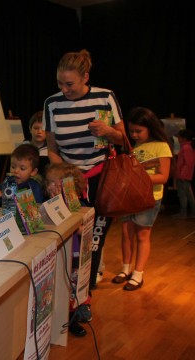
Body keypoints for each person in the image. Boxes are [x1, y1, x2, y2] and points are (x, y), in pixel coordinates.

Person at [43, 49, 126, 289]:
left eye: (70, 84)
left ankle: (85, 296)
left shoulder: (106, 97)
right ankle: (65, 295)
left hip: (101, 180)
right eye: (60, 83)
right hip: (68, 182)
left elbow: (123, 139)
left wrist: (108, 132)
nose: (64, 89)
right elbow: (52, 149)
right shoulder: (52, 103)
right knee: (70, 239)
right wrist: (64, 179)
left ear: (85, 78)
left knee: (93, 242)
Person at [111, 107, 172, 291]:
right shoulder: (134, 147)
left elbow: (163, 177)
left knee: (142, 235)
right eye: (132, 131)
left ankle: (138, 274)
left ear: (150, 128)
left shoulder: (161, 146)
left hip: (149, 198)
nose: (135, 135)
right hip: (130, 197)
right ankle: (125, 269)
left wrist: (136, 177)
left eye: (139, 131)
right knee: (126, 233)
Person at [44, 162, 91, 337]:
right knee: (60, 289)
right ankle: (59, 318)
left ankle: (73, 318)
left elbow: (83, 229)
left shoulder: (77, 204)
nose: (51, 187)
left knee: (73, 287)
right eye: (49, 183)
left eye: (56, 184)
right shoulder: (47, 203)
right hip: (57, 254)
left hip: (75, 254)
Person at [171, 128, 195, 219]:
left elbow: (188, 163)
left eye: (179, 137)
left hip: (183, 176)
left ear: (184, 138)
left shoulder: (186, 148)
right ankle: (191, 212)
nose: (178, 139)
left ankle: (183, 213)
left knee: (183, 195)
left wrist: (182, 175)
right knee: (189, 195)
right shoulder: (186, 147)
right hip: (184, 175)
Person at [24, 110, 49, 184]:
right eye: (36, 128)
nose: (39, 132)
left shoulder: (51, 151)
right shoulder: (22, 148)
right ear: (30, 129)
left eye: (43, 129)